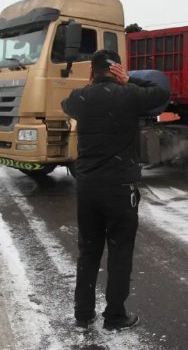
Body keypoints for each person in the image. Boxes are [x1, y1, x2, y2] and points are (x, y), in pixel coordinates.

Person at [61, 50, 170, 331]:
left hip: (88, 188)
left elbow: (67, 104)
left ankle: (83, 314)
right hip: (120, 188)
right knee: (120, 253)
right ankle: (115, 316)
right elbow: (160, 94)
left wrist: (95, 87)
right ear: (117, 70)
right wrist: (130, 79)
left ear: (92, 72)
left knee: (88, 251)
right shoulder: (129, 95)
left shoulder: (79, 98)